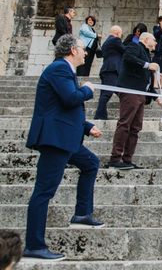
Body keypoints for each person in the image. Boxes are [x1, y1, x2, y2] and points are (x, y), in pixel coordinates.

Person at [23, 35, 103, 262]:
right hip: (55, 139)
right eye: (82, 49)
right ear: (71, 50)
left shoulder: (65, 70)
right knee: (43, 191)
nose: (85, 52)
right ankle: (34, 245)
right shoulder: (59, 69)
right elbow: (70, 99)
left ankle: (82, 213)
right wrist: (88, 89)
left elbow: (62, 107)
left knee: (91, 163)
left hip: (65, 137)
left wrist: (87, 127)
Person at [108, 32, 162, 170]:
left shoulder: (146, 54)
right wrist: (146, 65)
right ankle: (115, 158)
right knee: (125, 124)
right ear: (145, 39)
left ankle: (127, 159)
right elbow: (127, 57)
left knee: (135, 127)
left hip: (140, 95)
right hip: (130, 92)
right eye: (154, 40)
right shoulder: (135, 46)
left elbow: (146, 82)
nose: (156, 43)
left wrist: (156, 96)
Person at [94, 25, 125, 120]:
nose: (121, 35)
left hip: (107, 70)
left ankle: (101, 115)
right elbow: (125, 50)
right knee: (107, 93)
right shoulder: (115, 40)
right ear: (118, 33)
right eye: (121, 34)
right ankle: (100, 116)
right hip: (112, 70)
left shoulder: (107, 41)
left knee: (118, 92)